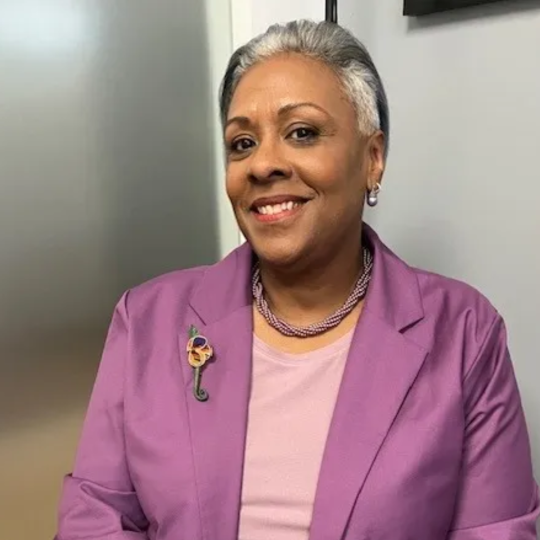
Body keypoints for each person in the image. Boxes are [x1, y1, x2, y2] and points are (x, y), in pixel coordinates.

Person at [55, 20, 538, 540]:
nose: (262, 164)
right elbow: (96, 514)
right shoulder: (147, 320)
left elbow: (496, 532)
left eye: (302, 132)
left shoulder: (465, 334)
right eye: (242, 143)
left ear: (372, 159)